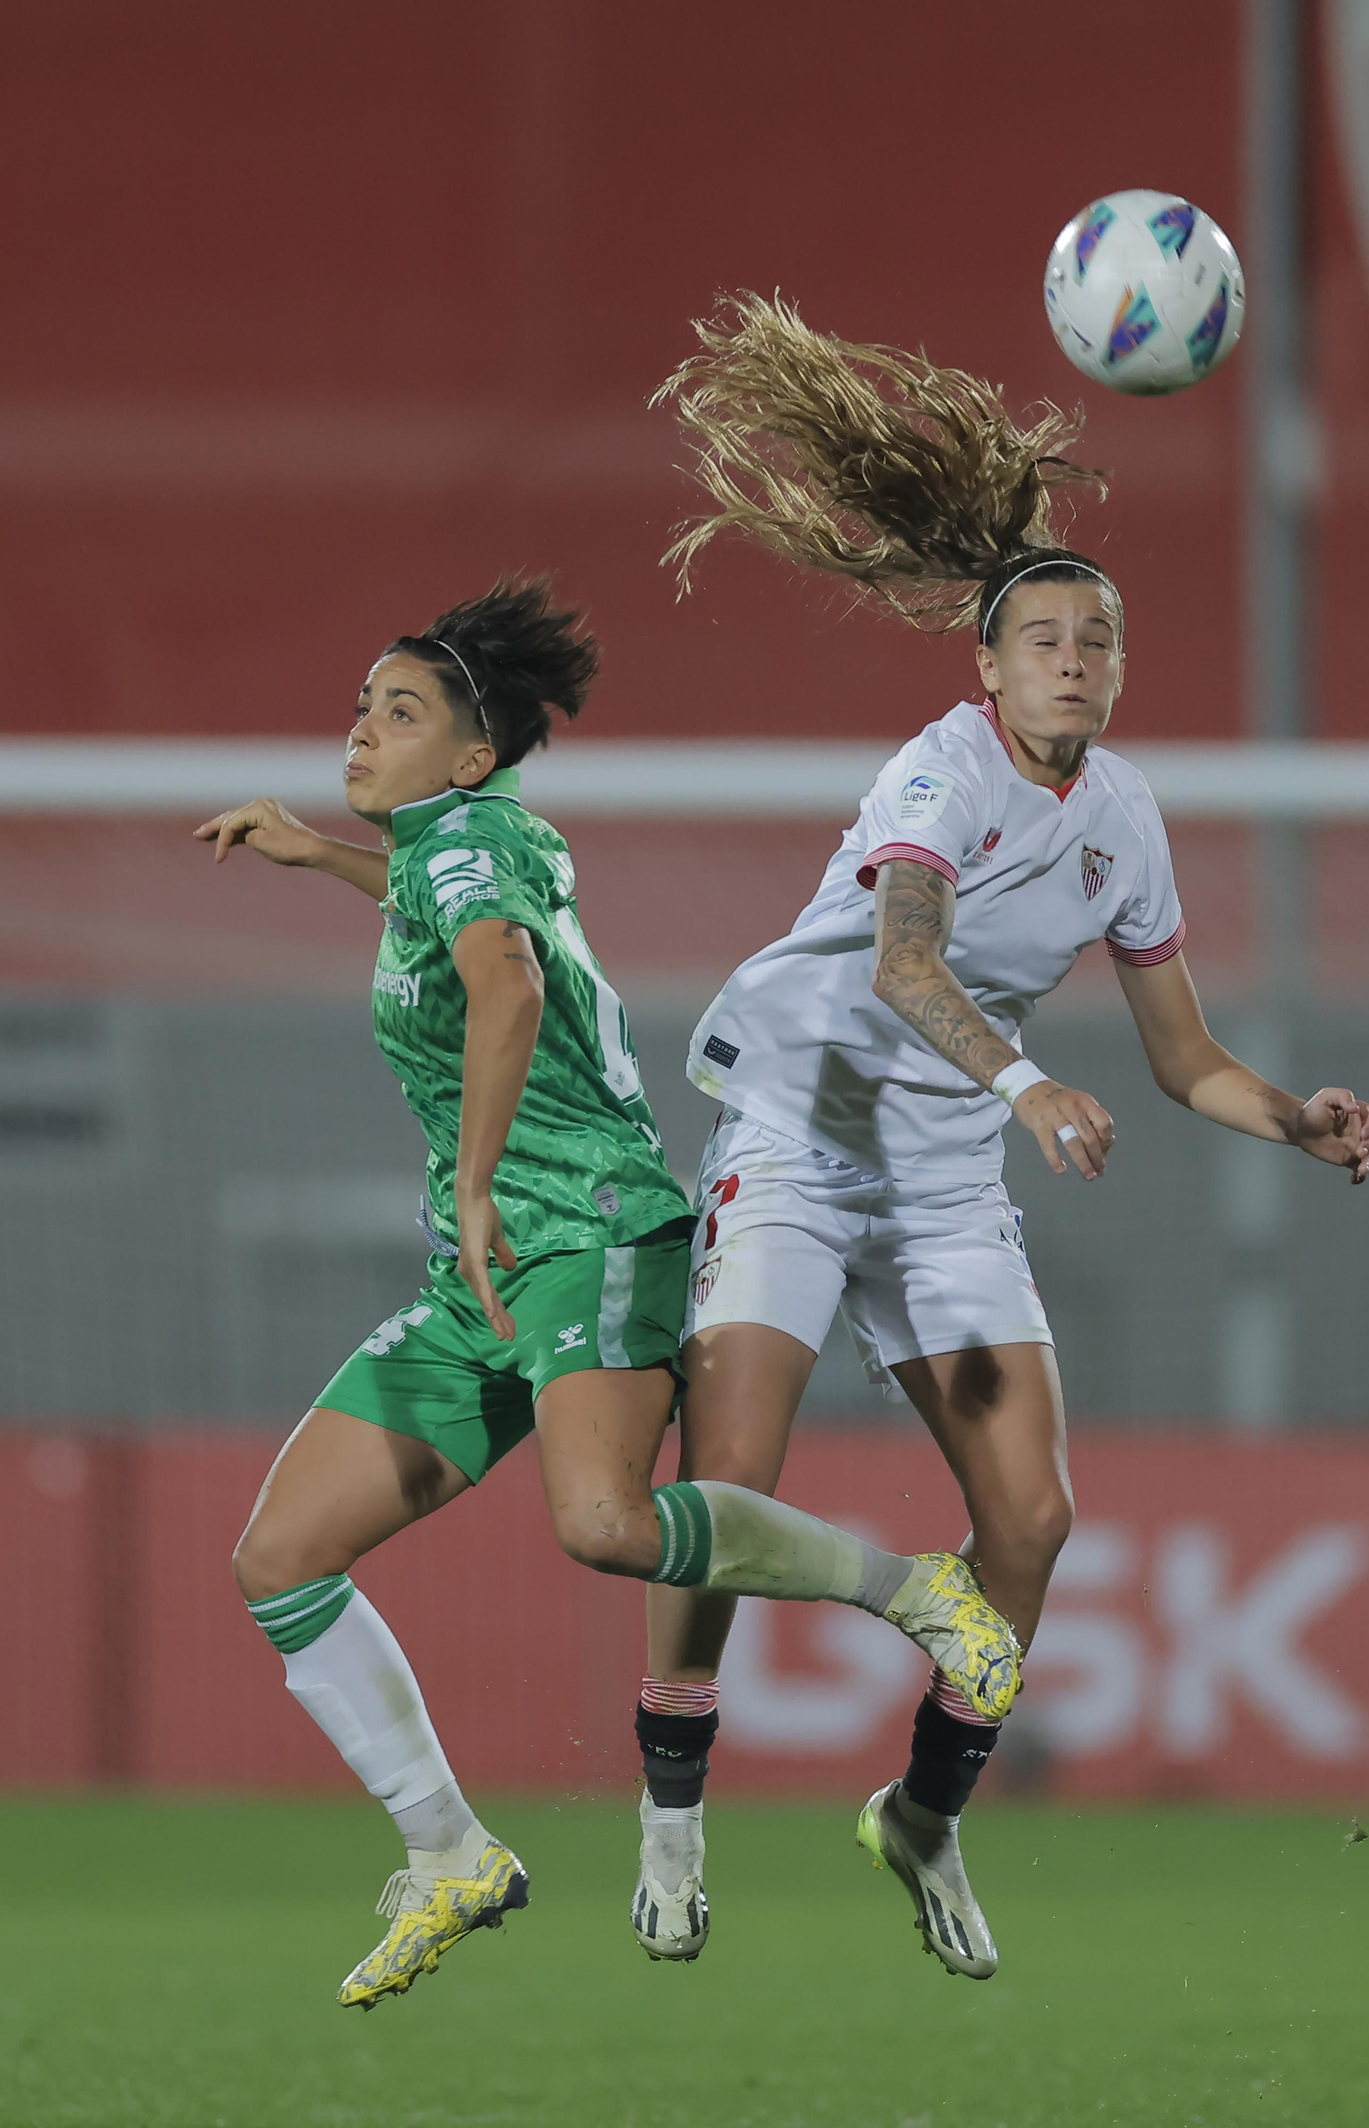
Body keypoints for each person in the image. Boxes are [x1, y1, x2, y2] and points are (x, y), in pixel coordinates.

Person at [629, 299, 1369, 1979]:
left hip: (944, 1173)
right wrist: (1028, 1086)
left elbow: (1183, 1057)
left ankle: (924, 1817)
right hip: (808, 1126)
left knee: (1030, 1527)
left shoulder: (1126, 819)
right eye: (1043, 637)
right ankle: (675, 1802)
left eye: (1097, 641)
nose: (1072, 661)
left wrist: (1296, 1119)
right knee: (729, 1477)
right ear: (986, 663)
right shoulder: (939, 773)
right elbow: (905, 963)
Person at [193, 573, 1021, 2009]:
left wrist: (467, 1183)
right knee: (279, 1559)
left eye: (398, 714)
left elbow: (503, 983)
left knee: (604, 1525)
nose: (360, 731)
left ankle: (916, 1591)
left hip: (583, 1231)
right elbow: (459, 915)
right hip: (500, 1267)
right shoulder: (458, 844)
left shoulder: (474, 843)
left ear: (466, 756)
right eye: (358, 707)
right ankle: (448, 1848)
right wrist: (324, 856)